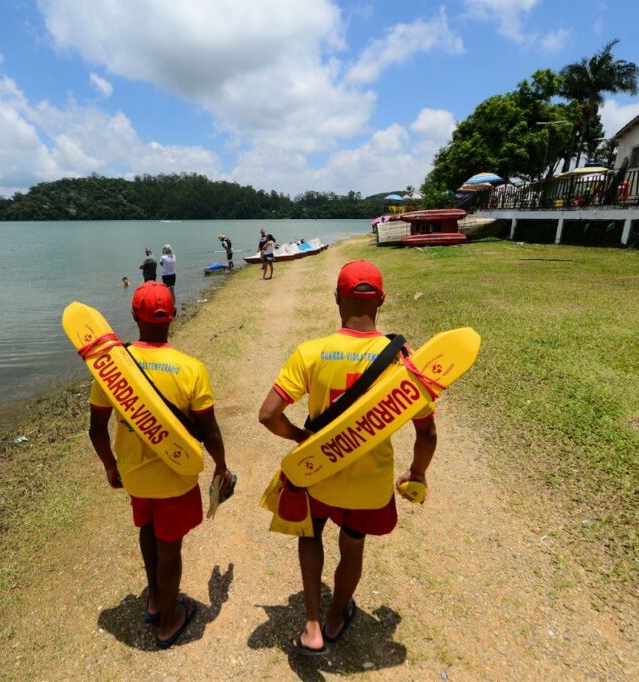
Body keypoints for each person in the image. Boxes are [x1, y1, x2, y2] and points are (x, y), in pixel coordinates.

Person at [257, 260, 438, 655]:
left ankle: (312, 626)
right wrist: (417, 473)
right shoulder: (403, 359)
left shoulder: (312, 352)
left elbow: (269, 415)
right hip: (369, 485)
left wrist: (304, 438)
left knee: (310, 535)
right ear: (382, 301)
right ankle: (338, 613)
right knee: (352, 546)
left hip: (319, 473)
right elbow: (427, 432)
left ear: (336, 298)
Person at [88, 282, 232, 649]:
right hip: (176, 477)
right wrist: (221, 466)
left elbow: (96, 428)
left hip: (135, 476)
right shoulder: (191, 369)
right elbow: (209, 431)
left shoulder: (113, 369)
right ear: (173, 316)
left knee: (148, 531)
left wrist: (109, 466)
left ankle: (154, 599)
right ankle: (168, 622)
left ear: (134, 316)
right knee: (170, 548)